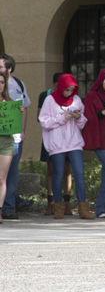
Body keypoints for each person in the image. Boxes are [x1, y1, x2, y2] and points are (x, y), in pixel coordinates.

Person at [38, 73, 94, 219]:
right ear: (61, 87)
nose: (69, 92)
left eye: (72, 89)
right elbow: (44, 122)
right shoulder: (49, 100)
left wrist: (78, 117)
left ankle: (83, 207)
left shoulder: (76, 100)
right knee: (57, 174)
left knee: (79, 173)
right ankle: (58, 207)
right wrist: (63, 117)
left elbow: (83, 123)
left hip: (74, 142)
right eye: (67, 89)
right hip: (57, 144)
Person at [82, 69, 105, 218]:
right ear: (101, 81)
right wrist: (103, 113)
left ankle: (101, 208)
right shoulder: (92, 96)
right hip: (99, 139)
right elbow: (87, 118)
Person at [38, 72, 74, 216]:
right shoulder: (45, 96)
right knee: (51, 171)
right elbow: (39, 117)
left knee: (67, 170)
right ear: (55, 84)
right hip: (51, 137)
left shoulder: (71, 96)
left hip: (68, 138)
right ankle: (51, 203)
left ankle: (67, 203)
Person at [0, 53, 30, 220]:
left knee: (10, 173)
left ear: (9, 68)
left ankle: (8, 208)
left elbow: (25, 108)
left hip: (13, 137)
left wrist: (23, 130)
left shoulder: (18, 84)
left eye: (0, 67)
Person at [0, 73, 15, 224]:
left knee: (1, 179)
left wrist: (17, 114)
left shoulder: (9, 102)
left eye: (2, 82)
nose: (0, 84)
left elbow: (14, 125)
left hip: (6, 142)